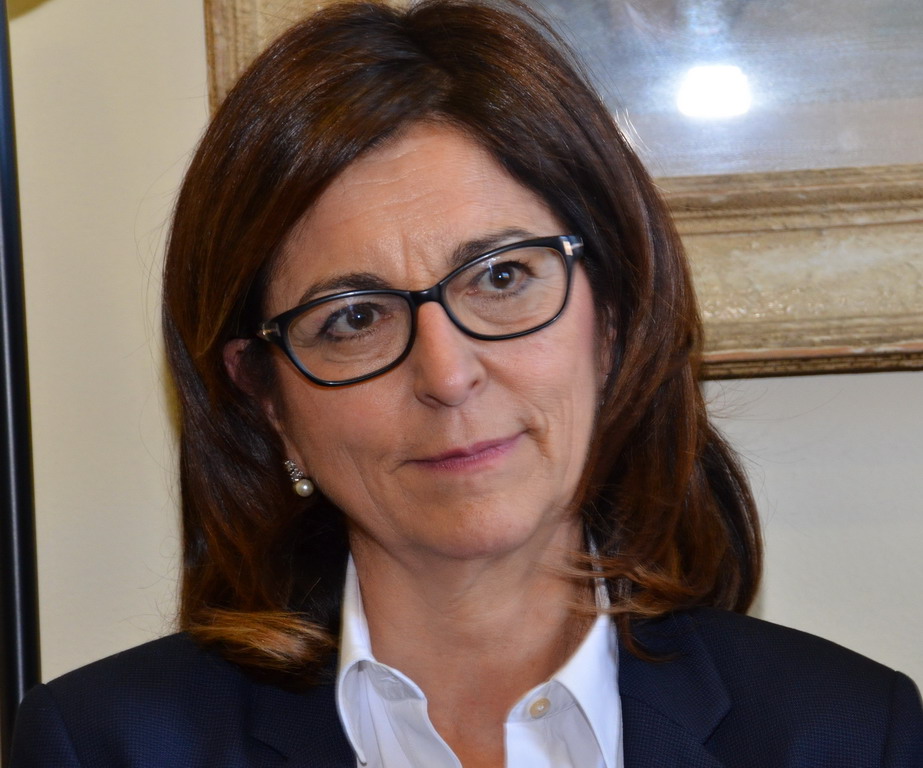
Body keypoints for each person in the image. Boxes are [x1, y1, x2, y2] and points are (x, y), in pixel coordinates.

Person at [10, 0, 923, 766]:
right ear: (265, 399)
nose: (446, 375)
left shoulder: (844, 733)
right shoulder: (103, 747)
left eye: (501, 276)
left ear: (610, 316)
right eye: (353, 318)